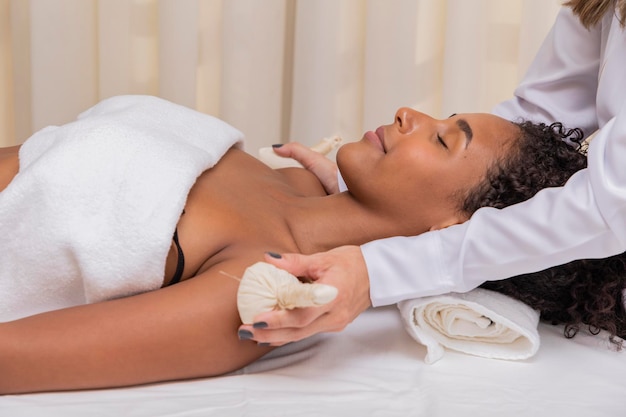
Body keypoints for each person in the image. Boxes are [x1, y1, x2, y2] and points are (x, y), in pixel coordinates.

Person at [0, 94, 599, 394]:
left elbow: (13, 356)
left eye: (444, 141)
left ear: (454, 232)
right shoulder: (289, 178)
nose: (410, 112)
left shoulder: (261, 292)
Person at [248, 0, 626, 347]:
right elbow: (538, 118)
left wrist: (380, 271)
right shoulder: (285, 187)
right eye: (445, 126)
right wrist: (378, 192)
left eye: (442, 140)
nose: (405, 112)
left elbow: (608, 204)